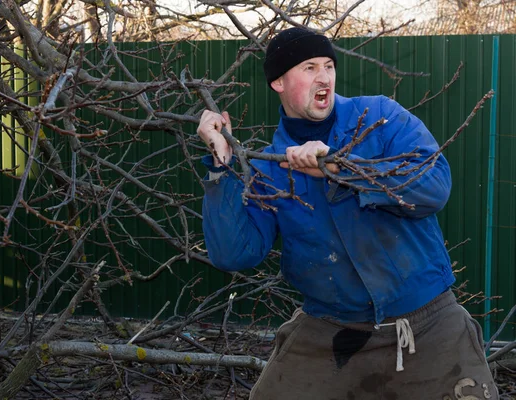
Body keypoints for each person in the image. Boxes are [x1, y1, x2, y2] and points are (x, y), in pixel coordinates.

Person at [197, 27, 499, 400]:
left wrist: (344, 169)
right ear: (278, 82)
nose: (323, 76)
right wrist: (220, 163)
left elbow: (434, 187)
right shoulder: (270, 169)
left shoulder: (381, 118)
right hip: (332, 330)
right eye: (308, 67)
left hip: (427, 323)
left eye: (328, 65)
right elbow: (233, 253)